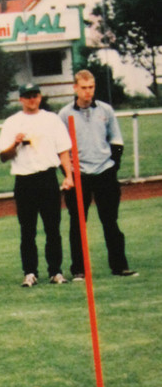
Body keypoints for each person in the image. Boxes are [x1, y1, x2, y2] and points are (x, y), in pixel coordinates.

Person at [58, 70, 137, 279]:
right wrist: (69, 173)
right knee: (77, 223)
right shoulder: (65, 114)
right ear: (75, 88)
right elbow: (60, 148)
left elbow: (116, 140)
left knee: (110, 221)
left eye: (91, 87)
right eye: (83, 88)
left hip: (104, 172)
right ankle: (79, 270)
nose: (88, 92)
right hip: (79, 174)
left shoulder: (106, 110)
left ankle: (119, 266)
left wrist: (113, 167)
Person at [0, 83, 73, 286]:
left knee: (53, 228)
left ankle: (55, 271)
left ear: (40, 97)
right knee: (27, 230)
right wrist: (15, 144)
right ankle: (30, 272)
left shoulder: (52, 119)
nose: (32, 99)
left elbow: (63, 150)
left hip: (47, 178)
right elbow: (3, 156)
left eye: (35, 95)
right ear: (20, 99)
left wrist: (68, 175)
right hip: (24, 180)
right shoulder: (12, 122)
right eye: (27, 96)